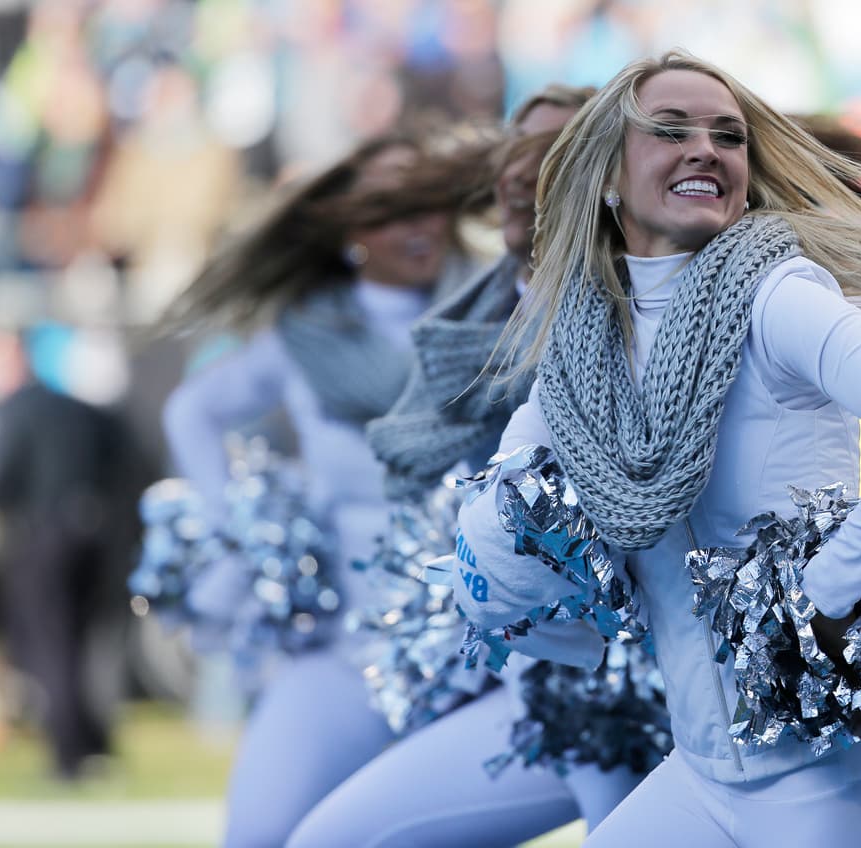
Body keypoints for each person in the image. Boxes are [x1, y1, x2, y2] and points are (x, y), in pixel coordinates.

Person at [453, 50, 861, 847]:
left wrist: (827, 590)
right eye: (670, 130)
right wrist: (511, 589)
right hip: (701, 775)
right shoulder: (586, 338)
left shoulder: (774, 295)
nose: (706, 149)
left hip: (832, 783)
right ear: (609, 175)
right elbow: (507, 499)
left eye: (728, 136)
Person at [288, 84, 650, 848]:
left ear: (602, 180)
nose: (519, 171)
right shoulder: (470, 320)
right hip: (513, 668)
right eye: (513, 149)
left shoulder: (637, 307)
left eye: (549, 151)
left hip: (622, 677)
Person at [159, 130, 475, 848]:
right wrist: (241, 524)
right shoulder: (304, 334)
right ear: (350, 232)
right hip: (343, 649)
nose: (418, 227)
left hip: (474, 658)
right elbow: (192, 412)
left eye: (429, 204)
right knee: (259, 834)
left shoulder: (497, 318)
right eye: (391, 211)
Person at [0, 329, 133, 780]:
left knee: (49, 646)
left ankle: (70, 755)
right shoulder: (79, 410)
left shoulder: (15, 411)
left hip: (43, 536)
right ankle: (94, 743)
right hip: (93, 532)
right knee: (82, 643)